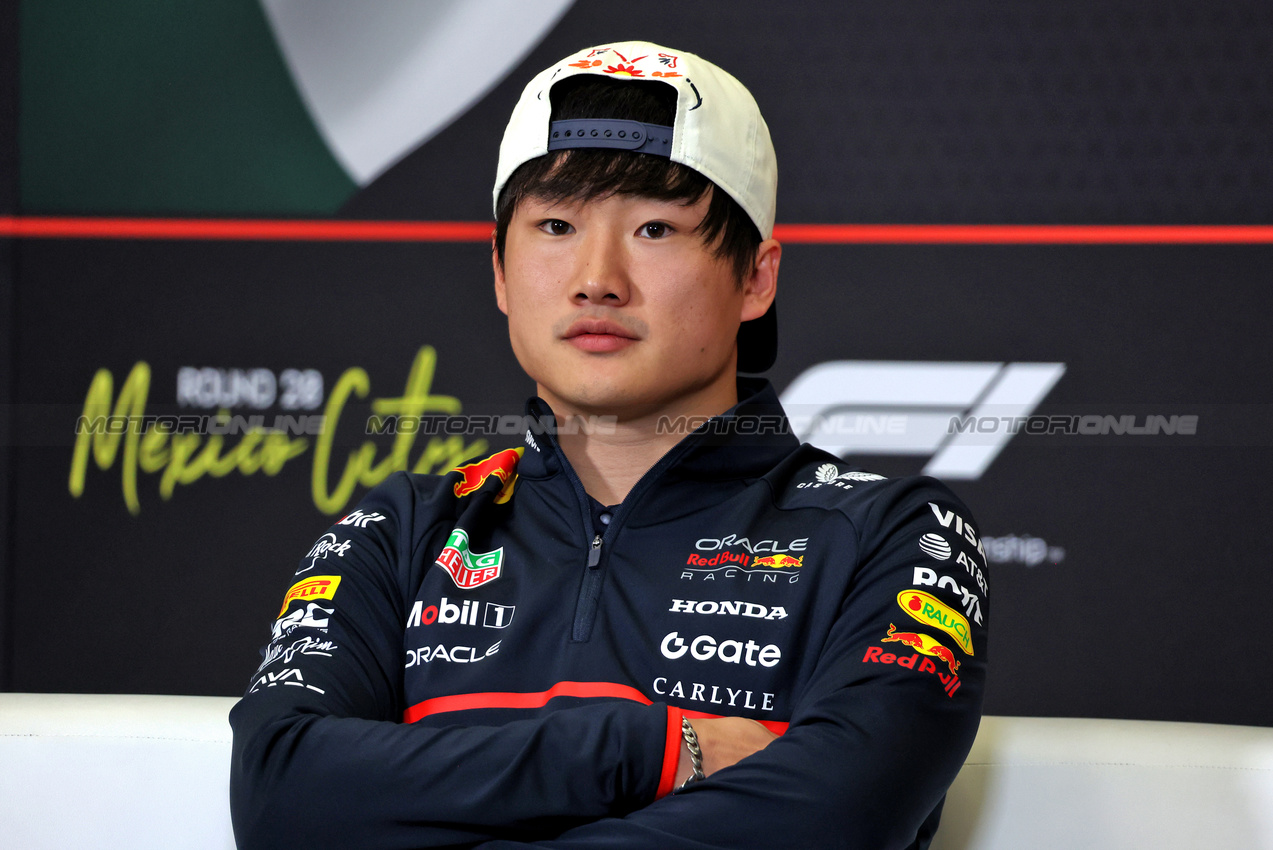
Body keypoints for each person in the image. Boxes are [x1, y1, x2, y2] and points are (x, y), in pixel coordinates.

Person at [230, 41, 988, 850]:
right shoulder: (402, 532)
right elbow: (279, 794)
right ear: (498, 269)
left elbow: (838, 818)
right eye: (556, 224)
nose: (597, 277)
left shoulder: (889, 535)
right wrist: (654, 750)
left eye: (655, 228)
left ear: (755, 279)